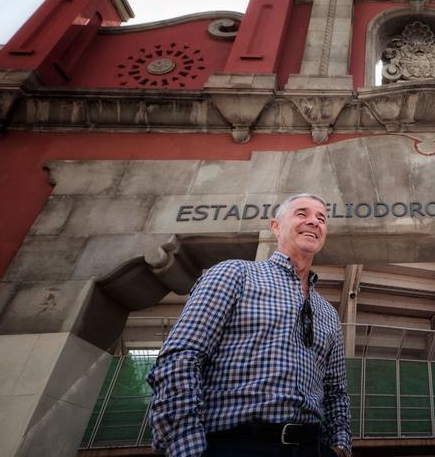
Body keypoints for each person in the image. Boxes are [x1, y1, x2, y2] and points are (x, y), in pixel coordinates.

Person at [147, 193, 351, 457]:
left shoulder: (328, 312)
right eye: (302, 214)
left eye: (321, 218)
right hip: (236, 444)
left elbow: (336, 391)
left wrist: (340, 448)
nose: (314, 222)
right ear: (276, 227)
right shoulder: (234, 274)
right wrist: (187, 448)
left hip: (312, 448)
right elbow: (181, 357)